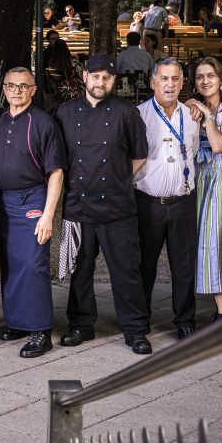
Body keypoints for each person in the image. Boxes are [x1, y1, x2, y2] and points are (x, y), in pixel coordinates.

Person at [55, 53, 151, 354]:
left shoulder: (125, 111)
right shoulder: (66, 112)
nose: (101, 82)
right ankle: (81, 325)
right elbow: (60, 161)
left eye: (106, 77)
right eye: (95, 76)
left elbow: (140, 155)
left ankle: (135, 329)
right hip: (79, 206)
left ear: (113, 80)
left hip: (118, 208)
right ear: (84, 77)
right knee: (80, 270)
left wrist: (119, 180)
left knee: (126, 270)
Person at [0, 67, 65, 358]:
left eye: (24, 87)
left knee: (34, 264)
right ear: (5, 89)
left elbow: (57, 172)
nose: (17, 91)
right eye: (11, 86)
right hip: (4, 201)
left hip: (33, 200)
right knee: (11, 266)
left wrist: (48, 215)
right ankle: (17, 322)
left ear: (33, 90)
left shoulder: (44, 123)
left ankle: (39, 330)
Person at [135, 59, 200, 339]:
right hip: (148, 203)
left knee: (184, 266)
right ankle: (140, 320)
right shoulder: (138, 115)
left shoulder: (193, 115)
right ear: (153, 82)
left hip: (183, 201)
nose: (170, 84)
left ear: (182, 83)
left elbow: (195, 151)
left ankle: (185, 320)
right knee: (144, 265)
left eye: (175, 79)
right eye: (164, 79)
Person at [185, 58, 222, 321]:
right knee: (191, 242)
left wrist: (207, 116)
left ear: (221, 79)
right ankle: (186, 307)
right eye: (200, 77)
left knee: (217, 242)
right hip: (195, 176)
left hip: (221, 177)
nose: (205, 81)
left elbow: (219, 144)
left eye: (211, 75)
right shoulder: (189, 109)